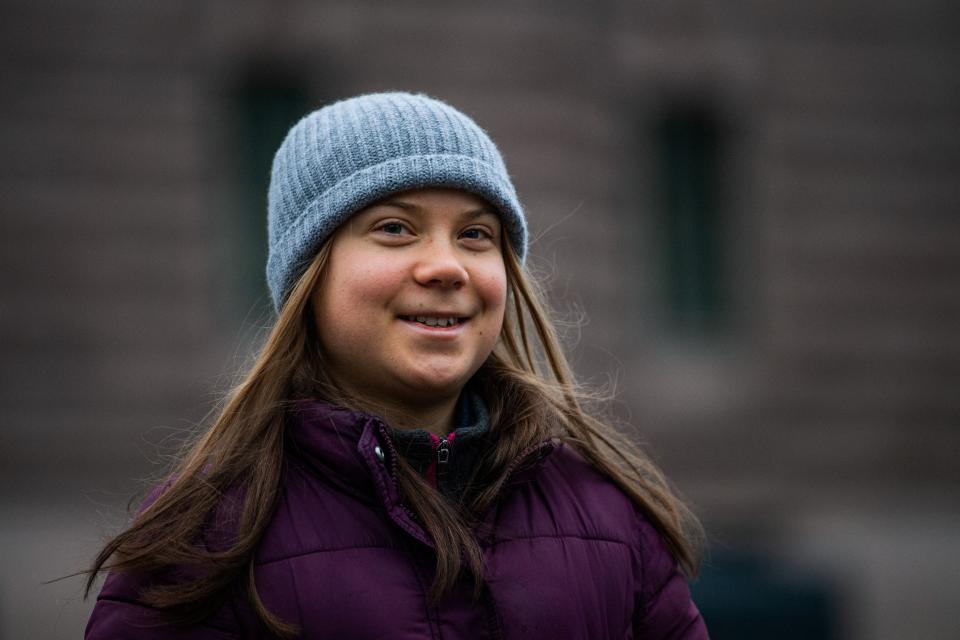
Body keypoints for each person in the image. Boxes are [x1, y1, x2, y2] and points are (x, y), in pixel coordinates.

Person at [84, 91, 709, 639]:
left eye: (475, 235)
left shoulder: (608, 520)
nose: (447, 266)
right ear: (309, 274)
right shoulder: (203, 541)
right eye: (394, 228)